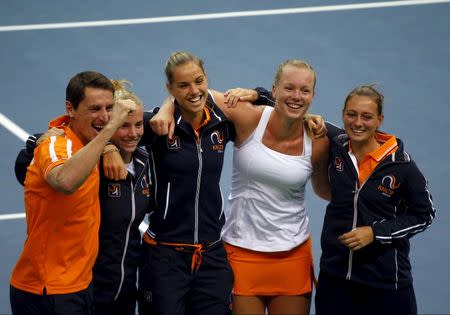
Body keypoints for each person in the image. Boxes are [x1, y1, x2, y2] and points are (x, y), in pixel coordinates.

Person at [140, 55, 328, 315]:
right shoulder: (245, 118)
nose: (296, 95)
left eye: (304, 90)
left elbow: (325, 189)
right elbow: (195, 96)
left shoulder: (319, 136)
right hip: (237, 251)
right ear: (275, 90)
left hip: (291, 254)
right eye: (289, 88)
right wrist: (166, 107)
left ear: (313, 95)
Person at [14, 80, 151, 315]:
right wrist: (35, 143)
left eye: (138, 125)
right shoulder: (86, 161)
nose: (133, 133)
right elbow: (37, 163)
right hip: (76, 288)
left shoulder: (145, 162)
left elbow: (177, 106)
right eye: (123, 125)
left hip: (123, 289)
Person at [313, 85, 436, 315]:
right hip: (335, 279)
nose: (358, 122)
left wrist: (374, 233)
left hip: (385, 286)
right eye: (351, 114)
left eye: (367, 117)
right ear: (342, 114)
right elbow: (291, 106)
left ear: (379, 120)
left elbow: (425, 215)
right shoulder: (337, 144)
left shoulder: (401, 165)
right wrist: (259, 94)